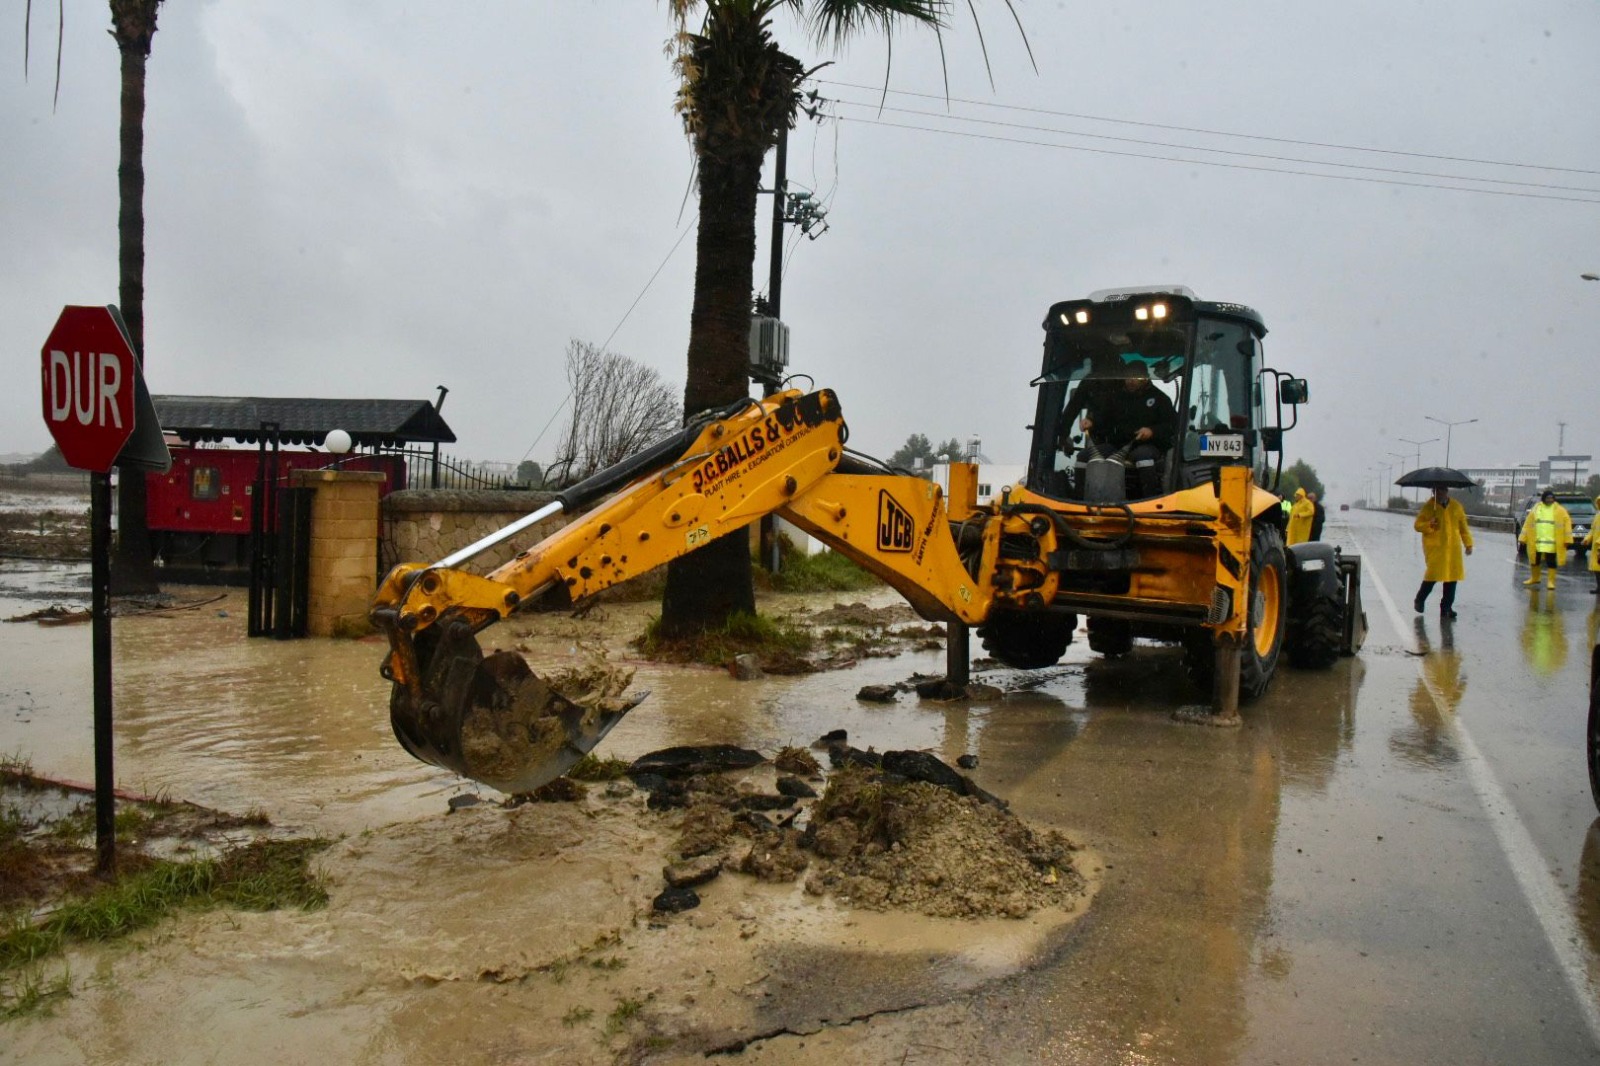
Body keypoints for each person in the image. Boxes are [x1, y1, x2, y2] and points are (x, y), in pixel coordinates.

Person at [1075, 363, 1177, 497]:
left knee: (1143, 456)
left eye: (1136, 378)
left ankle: (1149, 500)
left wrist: (1152, 431)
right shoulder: (1116, 398)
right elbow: (1103, 418)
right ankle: (1079, 498)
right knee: (1083, 457)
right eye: (1128, 377)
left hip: (1147, 445)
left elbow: (1171, 426)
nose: (1131, 381)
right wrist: (1091, 422)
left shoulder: (1160, 399)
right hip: (1116, 445)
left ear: (1146, 378)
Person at [1413, 485, 1473, 618]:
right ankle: (1419, 600)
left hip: (1453, 549)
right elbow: (1417, 525)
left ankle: (1446, 608)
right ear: (1433, 492)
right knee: (1432, 576)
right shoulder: (1429, 507)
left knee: (1452, 578)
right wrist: (1429, 524)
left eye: (1442, 490)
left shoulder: (1456, 507)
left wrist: (1468, 544)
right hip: (1436, 548)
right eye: (1436, 491)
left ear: (1447, 491)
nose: (1439, 493)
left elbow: (1463, 527)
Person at [1520, 488, 1573, 590]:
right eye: (1548, 498)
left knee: (1551, 561)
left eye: (1552, 498)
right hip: (1537, 541)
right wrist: (1523, 537)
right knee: (1534, 560)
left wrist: (1568, 539)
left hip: (1551, 542)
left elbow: (1567, 524)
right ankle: (1535, 578)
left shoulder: (1560, 510)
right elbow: (1528, 524)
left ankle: (1551, 582)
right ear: (1544, 498)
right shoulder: (1536, 508)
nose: (1550, 500)